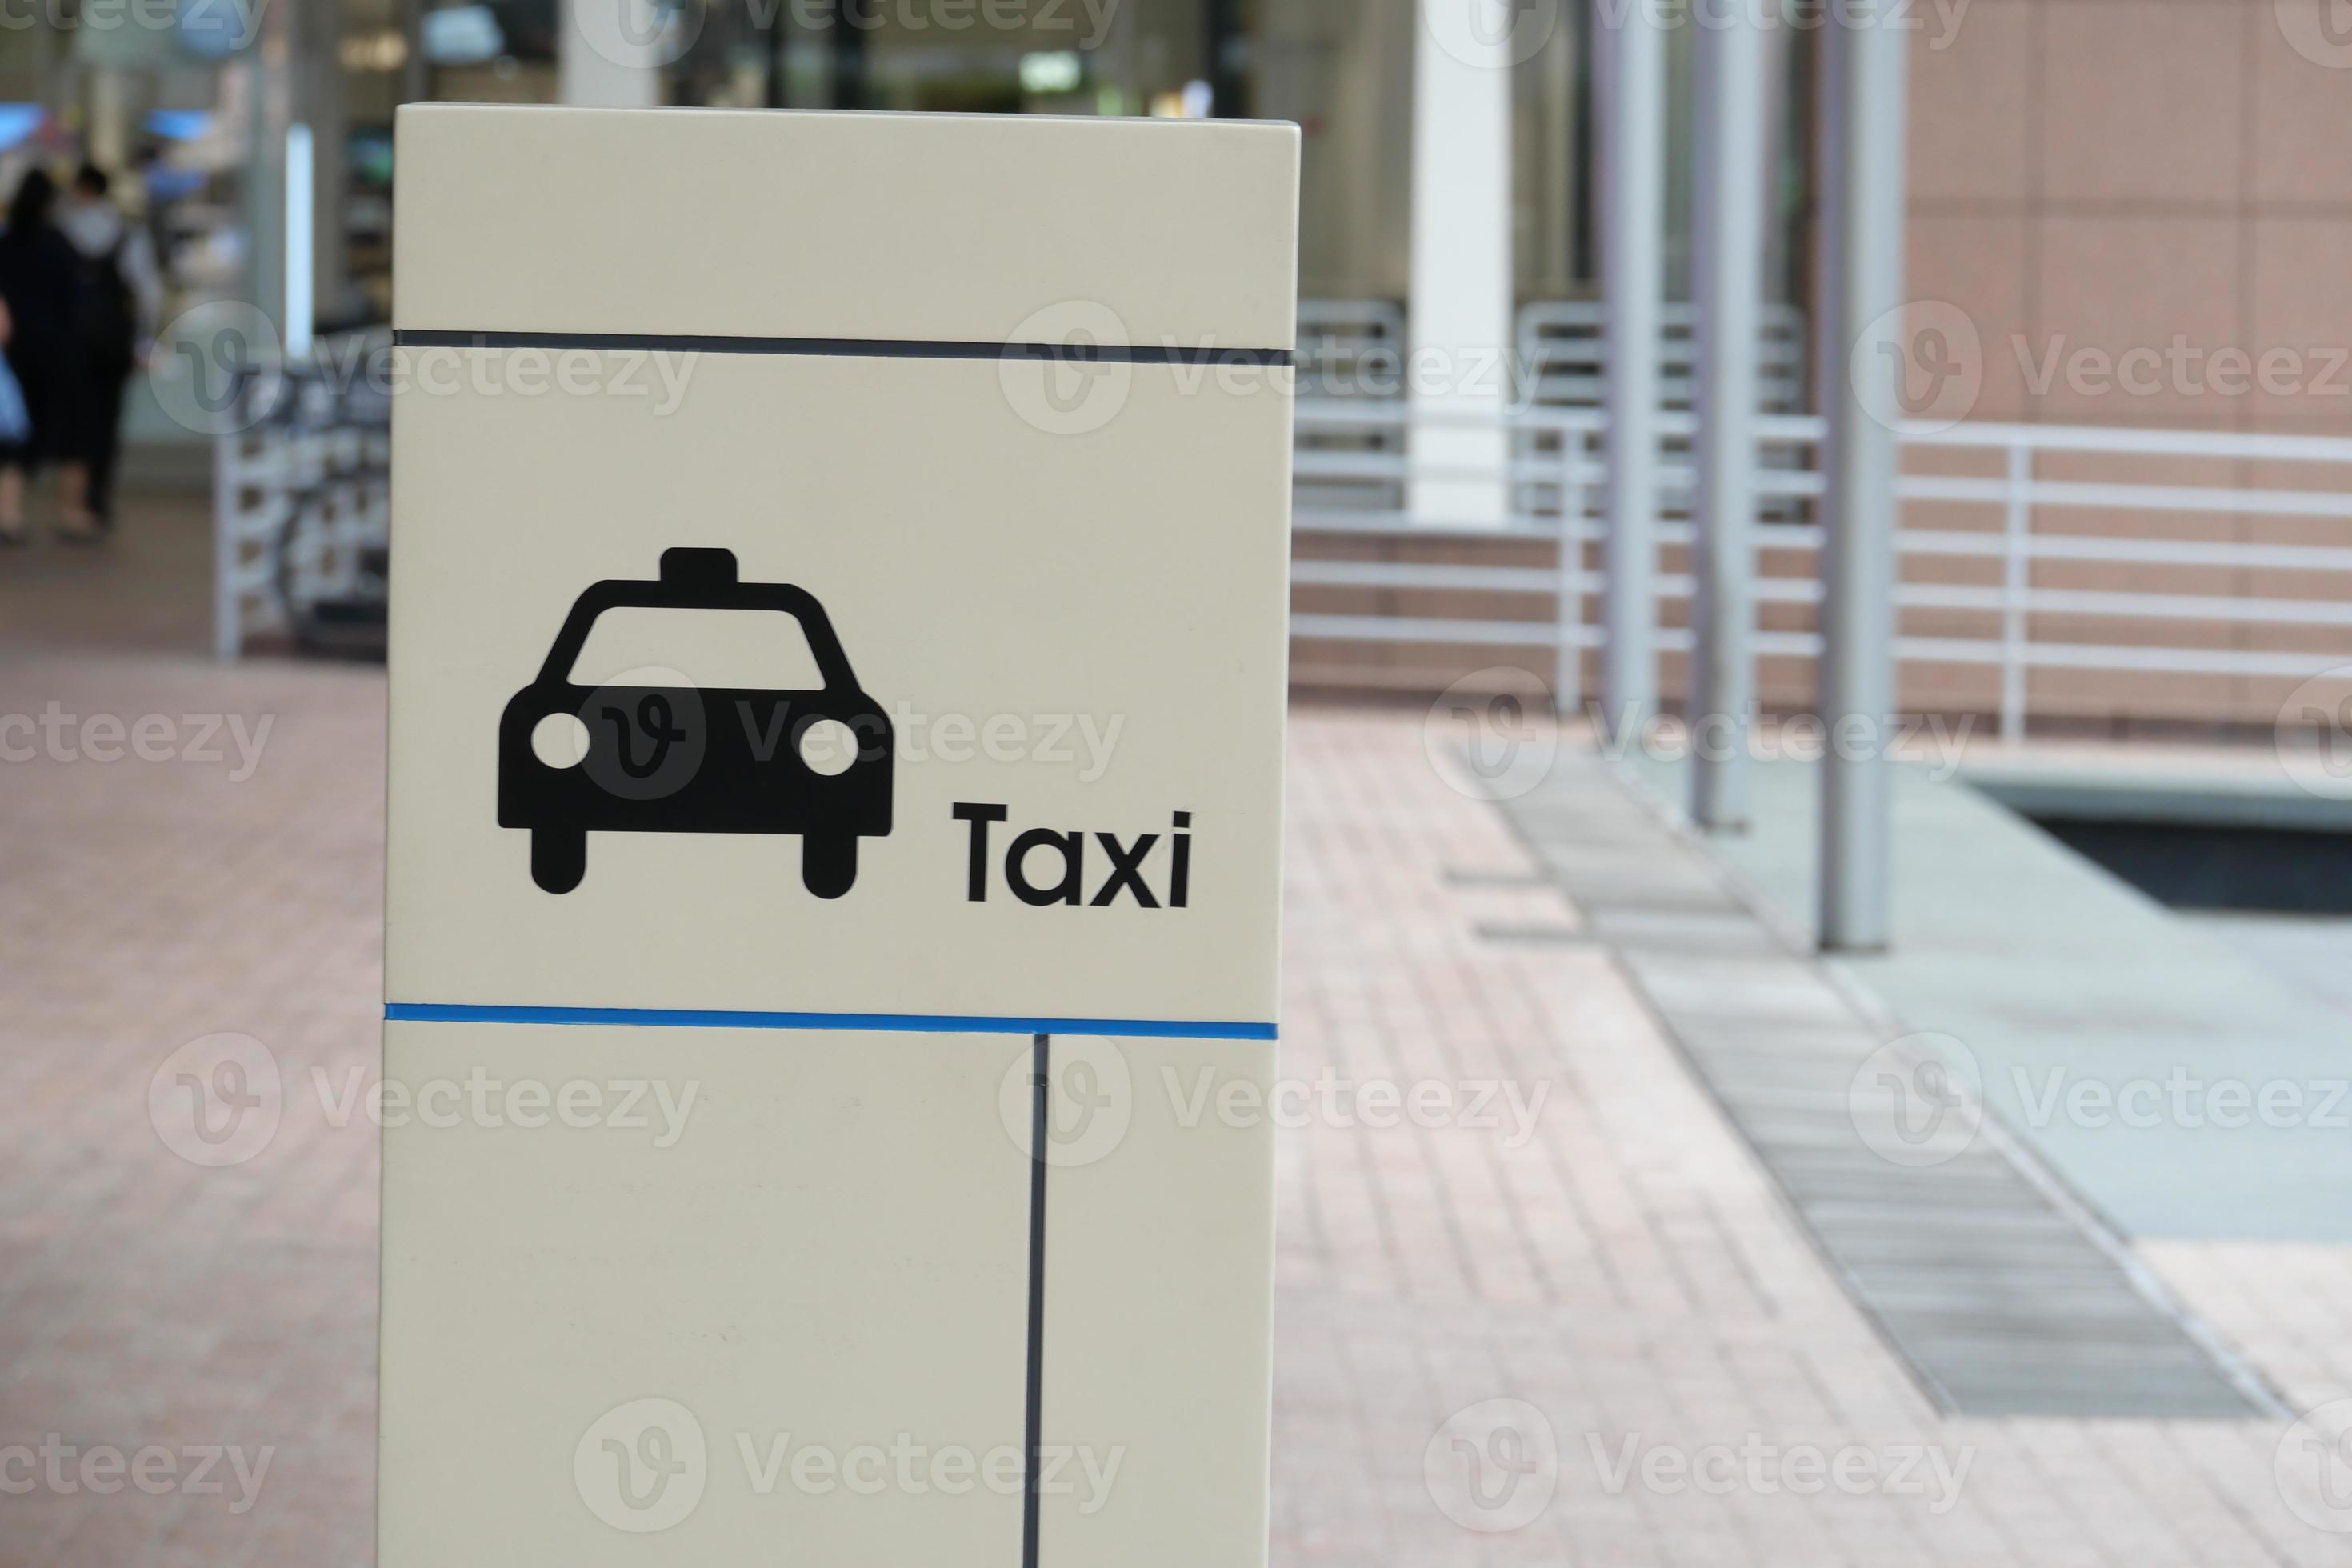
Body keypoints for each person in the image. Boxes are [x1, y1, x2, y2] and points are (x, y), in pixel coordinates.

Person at [58, 162, 161, 535]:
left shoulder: (62, 231)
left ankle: (72, 499)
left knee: (76, 420)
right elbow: (149, 292)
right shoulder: (128, 232)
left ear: (81, 188)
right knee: (107, 419)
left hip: (71, 343)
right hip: (114, 342)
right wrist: (144, 341)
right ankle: (97, 495)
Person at [0, 169, 82, 545]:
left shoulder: (7, 241)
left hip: (13, 350)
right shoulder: (59, 244)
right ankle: (69, 513)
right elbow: (73, 298)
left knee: (11, 436)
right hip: (54, 348)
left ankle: (10, 514)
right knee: (70, 432)